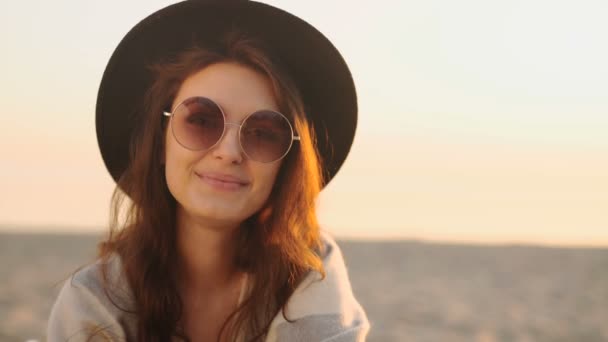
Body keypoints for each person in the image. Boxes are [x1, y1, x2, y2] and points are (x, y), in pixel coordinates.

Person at [47, 1, 369, 341]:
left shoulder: (312, 275)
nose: (229, 152)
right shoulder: (93, 300)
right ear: (159, 144)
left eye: (262, 133)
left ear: (286, 164)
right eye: (201, 120)